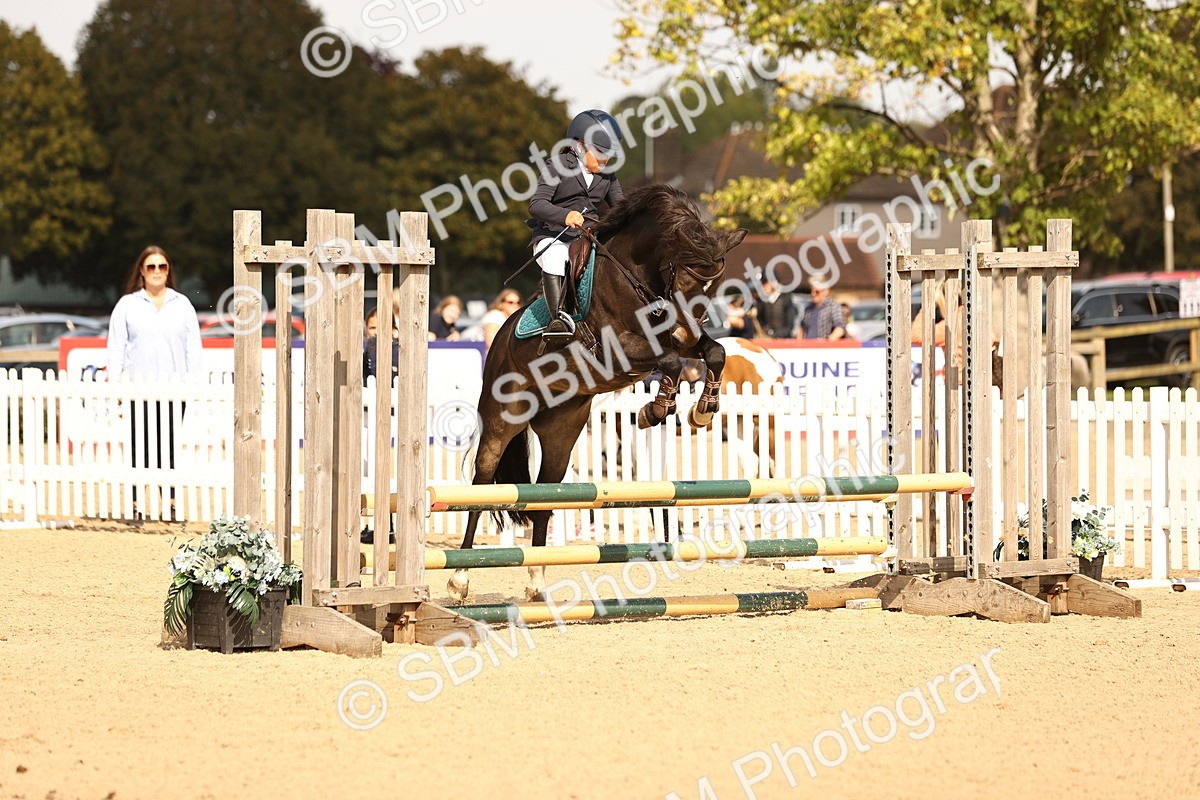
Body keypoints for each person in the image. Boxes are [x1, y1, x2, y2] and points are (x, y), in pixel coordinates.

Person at [106, 245, 202, 519]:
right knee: (140, 447)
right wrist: (117, 386)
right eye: (151, 267)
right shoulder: (127, 305)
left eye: (162, 266)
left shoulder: (182, 304)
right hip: (138, 389)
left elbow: (192, 349)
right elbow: (116, 348)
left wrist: (193, 385)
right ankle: (136, 507)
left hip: (174, 390)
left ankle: (170, 506)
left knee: (169, 448)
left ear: (169, 270)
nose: (157, 271)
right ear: (141, 271)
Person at [527, 109, 625, 343]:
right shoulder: (557, 165)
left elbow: (622, 207)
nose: (605, 160)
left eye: (609, 154)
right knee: (555, 255)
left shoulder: (608, 175)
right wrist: (565, 215)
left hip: (587, 237)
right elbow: (537, 204)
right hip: (554, 235)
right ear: (580, 146)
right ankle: (558, 319)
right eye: (600, 153)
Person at [753, 273, 799, 338]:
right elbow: (760, 319)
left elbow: (789, 325)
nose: (763, 287)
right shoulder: (763, 300)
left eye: (765, 283)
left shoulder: (786, 298)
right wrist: (768, 332)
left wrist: (777, 335)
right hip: (768, 338)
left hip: (784, 340)